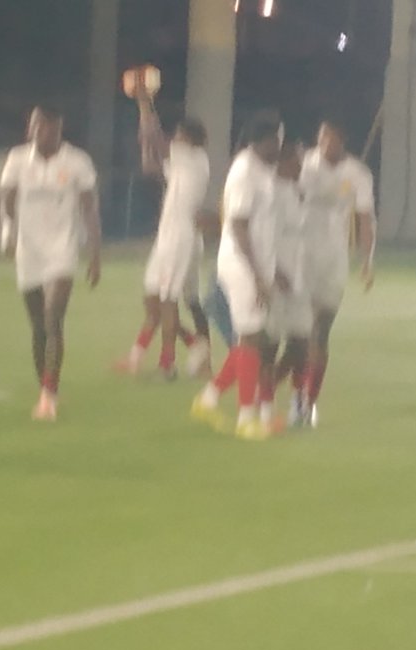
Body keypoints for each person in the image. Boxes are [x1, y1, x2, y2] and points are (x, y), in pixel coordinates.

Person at [0, 106, 102, 421]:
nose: (40, 133)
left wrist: (95, 253)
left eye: (47, 127)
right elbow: (7, 197)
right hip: (29, 251)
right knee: (37, 326)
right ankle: (44, 384)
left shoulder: (77, 162)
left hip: (63, 249)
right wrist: (8, 231)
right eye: (35, 127)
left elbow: (89, 209)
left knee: (53, 317)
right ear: (30, 128)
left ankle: (49, 394)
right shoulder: (17, 159)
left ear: (59, 128)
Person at [190, 112, 283, 441]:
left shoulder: (260, 170)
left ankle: (209, 399)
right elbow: (239, 227)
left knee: (252, 339)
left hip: (252, 264)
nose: (280, 146)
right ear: (266, 140)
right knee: (251, 337)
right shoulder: (245, 172)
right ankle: (246, 418)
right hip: (242, 264)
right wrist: (258, 276)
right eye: (278, 139)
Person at [114, 80, 213, 380]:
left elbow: (156, 139)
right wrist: (147, 141)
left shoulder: (194, 158)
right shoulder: (185, 161)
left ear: (190, 140)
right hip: (168, 237)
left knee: (170, 301)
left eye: (180, 135)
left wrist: (144, 103)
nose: (176, 139)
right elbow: (151, 165)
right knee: (154, 301)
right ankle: (194, 345)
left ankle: (167, 364)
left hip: (181, 238)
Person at [297, 120, 376, 427]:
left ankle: (309, 401)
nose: (322, 144)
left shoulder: (358, 174)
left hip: (333, 257)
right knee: (298, 332)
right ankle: (292, 395)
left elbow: (365, 218)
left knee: (321, 330)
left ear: (341, 140)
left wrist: (367, 259)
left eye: (329, 138)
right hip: (301, 252)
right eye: (320, 138)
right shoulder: (305, 165)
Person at [266, 139, 314, 431]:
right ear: (284, 163)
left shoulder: (297, 192)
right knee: (269, 344)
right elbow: (264, 238)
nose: (303, 166)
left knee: (301, 342)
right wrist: (272, 271)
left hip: (299, 279)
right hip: (277, 279)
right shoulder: (271, 194)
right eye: (298, 161)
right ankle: (264, 404)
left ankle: (295, 400)